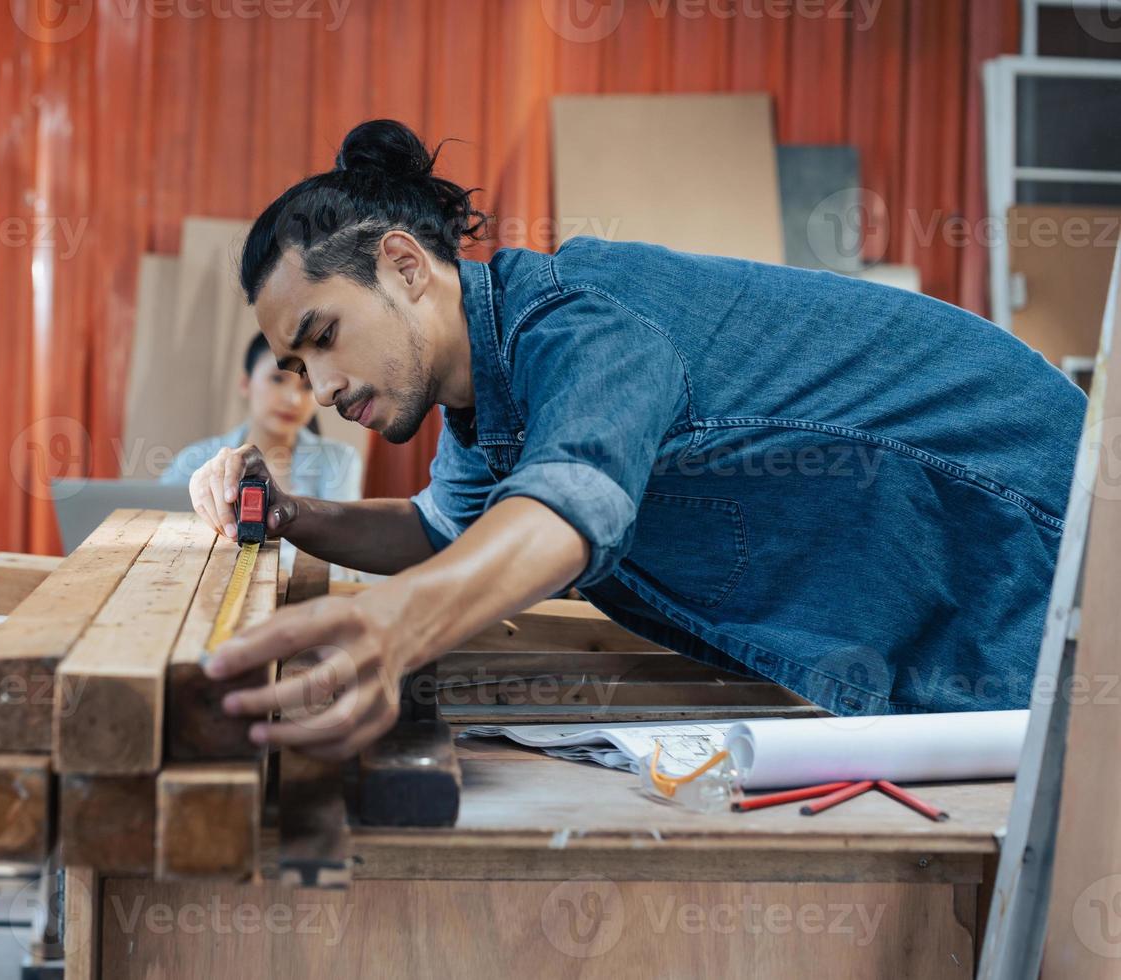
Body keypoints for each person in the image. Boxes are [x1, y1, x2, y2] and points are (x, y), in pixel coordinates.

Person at [187, 119, 1087, 762]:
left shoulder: (583, 320)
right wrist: (293, 514)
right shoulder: (483, 407)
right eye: (298, 367)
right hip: (949, 596)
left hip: (1034, 528)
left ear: (404, 266)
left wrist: (400, 626)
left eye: (323, 337)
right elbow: (439, 531)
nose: (323, 386)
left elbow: (573, 500)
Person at [160, 332, 362, 572]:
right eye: (277, 380)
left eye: (307, 386)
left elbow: (342, 560)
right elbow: (162, 541)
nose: (293, 399)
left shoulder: (340, 460)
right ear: (245, 384)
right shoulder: (194, 461)